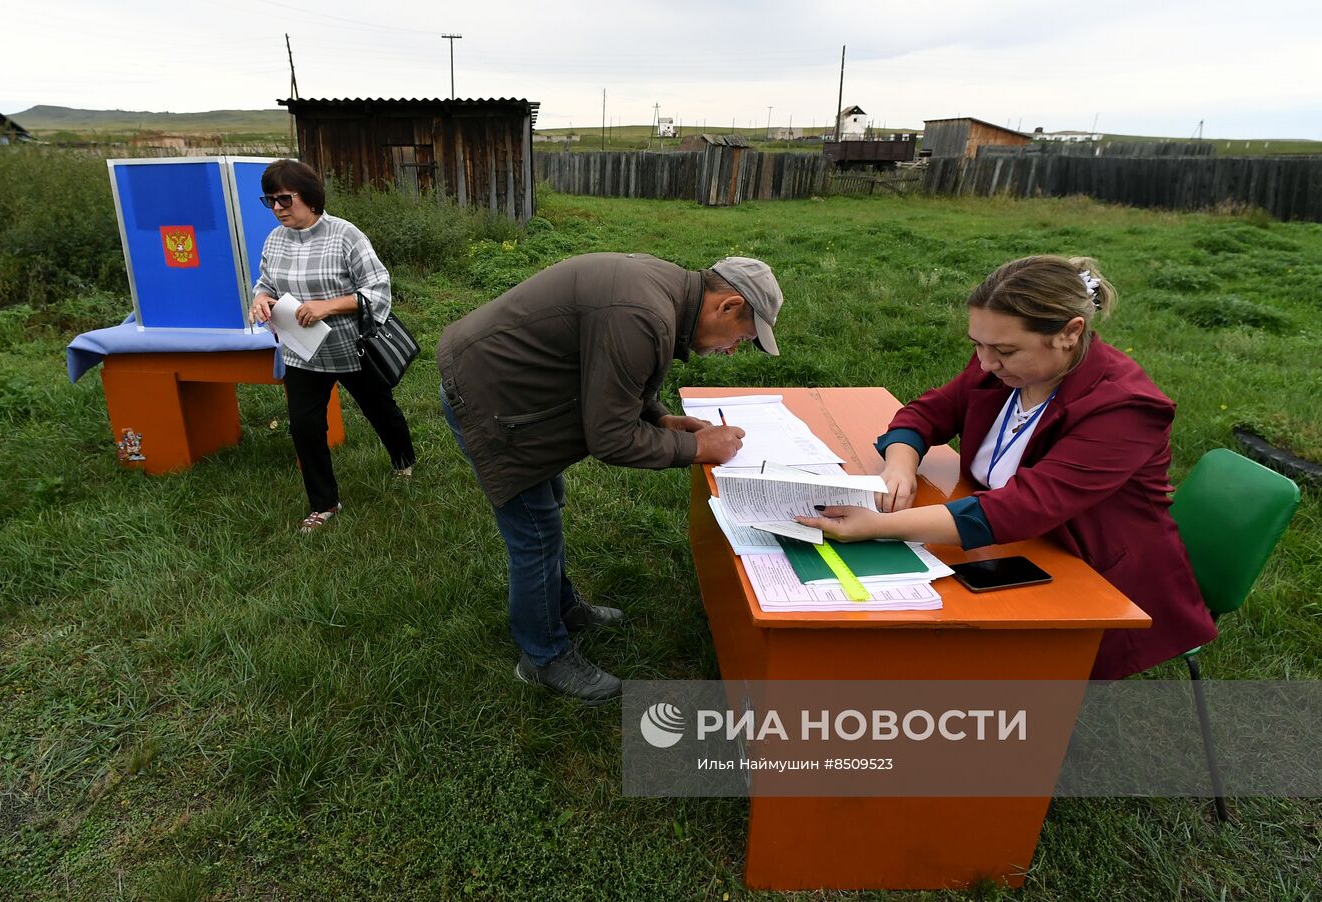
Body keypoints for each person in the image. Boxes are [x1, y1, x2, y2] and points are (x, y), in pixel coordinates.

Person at [796, 255, 1216, 680]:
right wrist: (899, 465)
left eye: (1005, 350)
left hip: (1094, 574)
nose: (985, 363)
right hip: (1007, 547)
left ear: (1070, 333)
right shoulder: (1002, 370)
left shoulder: (1124, 406)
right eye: (977, 344)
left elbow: (1026, 507)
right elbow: (927, 412)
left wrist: (878, 525)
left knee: (949, 663)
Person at [437, 253, 784, 703]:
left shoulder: (663, 292)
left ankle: (560, 608)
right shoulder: (642, 314)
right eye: (743, 337)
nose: (733, 349)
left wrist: (661, 420)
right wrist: (698, 447)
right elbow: (611, 439)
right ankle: (543, 658)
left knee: (548, 507)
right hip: (489, 397)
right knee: (535, 533)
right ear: (727, 305)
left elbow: (617, 377)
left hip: (512, 388)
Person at [249, 159, 416, 532]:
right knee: (304, 426)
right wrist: (260, 298)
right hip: (301, 352)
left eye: (284, 199)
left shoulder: (345, 235)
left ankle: (403, 460)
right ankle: (324, 503)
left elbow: (378, 289)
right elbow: (266, 283)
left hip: (352, 348)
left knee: (379, 409)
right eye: (270, 201)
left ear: (309, 198)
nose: (277, 208)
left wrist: (328, 305)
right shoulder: (274, 240)